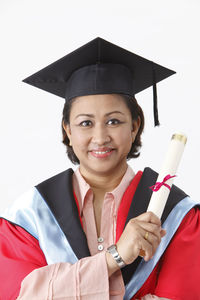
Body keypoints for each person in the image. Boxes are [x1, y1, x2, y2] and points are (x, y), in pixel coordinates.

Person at [0, 37, 199, 300]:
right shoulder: (30, 216)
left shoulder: (176, 213)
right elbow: (20, 295)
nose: (100, 137)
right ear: (67, 130)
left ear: (135, 126)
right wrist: (113, 258)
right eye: (85, 123)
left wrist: (58, 287)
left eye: (114, 121)